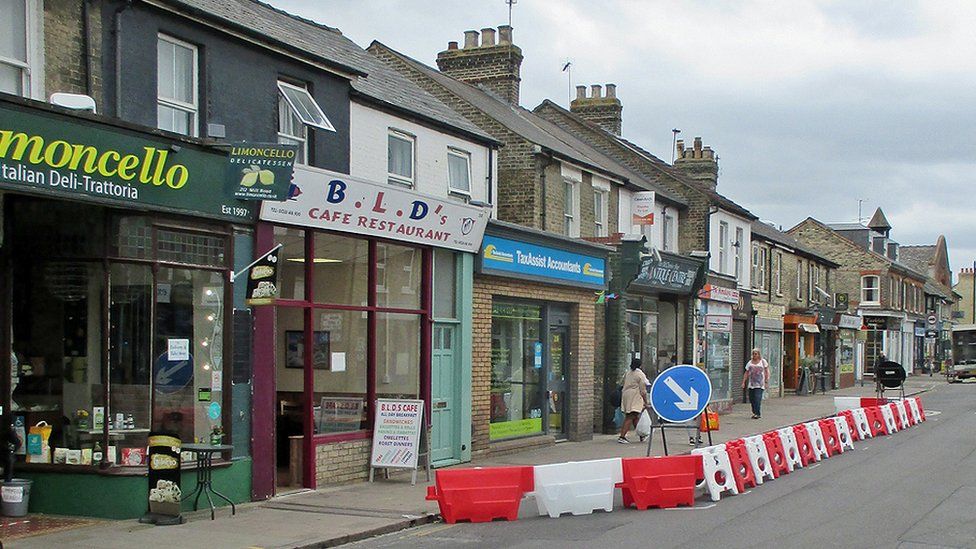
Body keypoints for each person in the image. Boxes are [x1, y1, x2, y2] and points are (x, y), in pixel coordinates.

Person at [618, 358, 649, 444]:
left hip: (626, 395)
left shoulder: (628, 372)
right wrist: (646, 402)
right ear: (640, 365)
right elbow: (643, 390)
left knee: (634, 415)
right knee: (631, 416)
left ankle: (642, 435)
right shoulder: (640, 374)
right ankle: (622, 436)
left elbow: (621, 382)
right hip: (635, 396)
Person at [743, 348, 770, 419]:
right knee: (752, 399)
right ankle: (754, 411)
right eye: (753, 354)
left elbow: (767, 371)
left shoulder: (763, 362)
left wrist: (766, 380)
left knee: (757, 398)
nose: (754, 355)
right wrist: (743, 382)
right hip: (751, 384)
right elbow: (746, 372)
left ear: (759, 354)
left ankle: (757, 413)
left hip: (760, 384)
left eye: (756, 354)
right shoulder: (750, 363)